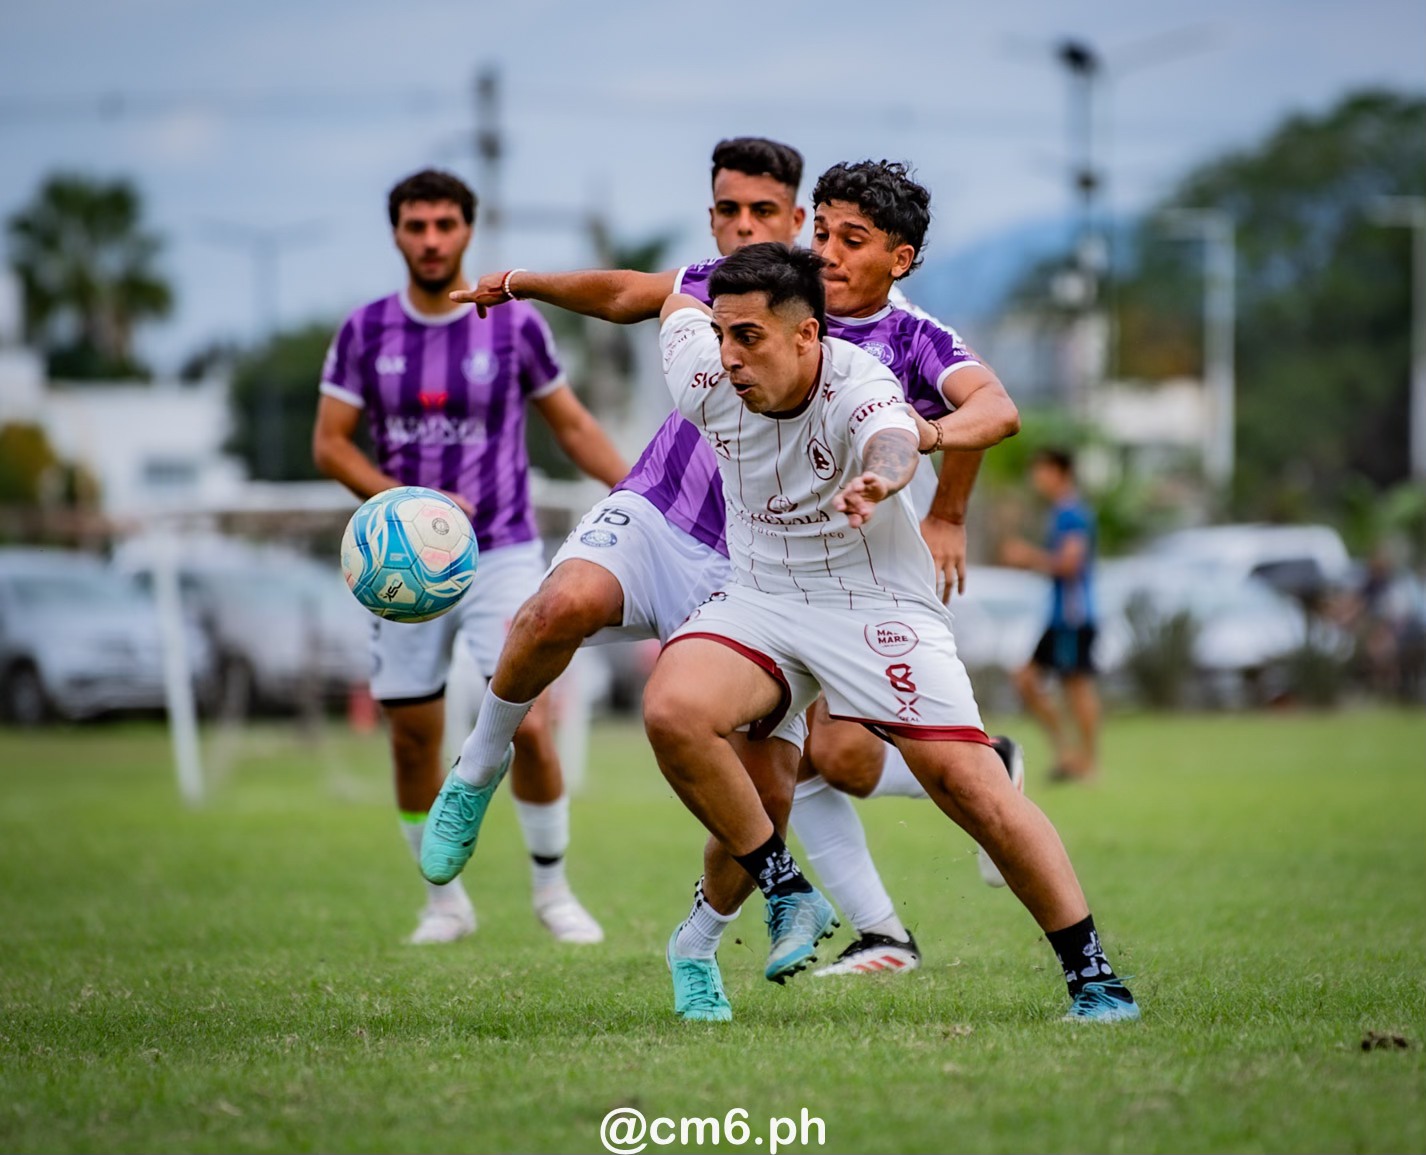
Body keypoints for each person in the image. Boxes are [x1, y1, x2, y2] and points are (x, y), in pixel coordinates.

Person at [433, 160, 1023, 984]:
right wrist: (522, 281)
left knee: (809, 772)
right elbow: (630, 293)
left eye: (763, 210)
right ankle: (475, 768)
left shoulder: (900, 334)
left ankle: (735, 939)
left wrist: (948, 512)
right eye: (728, 209)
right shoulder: (737, 291)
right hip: (659, 513)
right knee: (557, 607)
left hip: (765, 567)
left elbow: (980, 408)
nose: (744, 226)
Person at [644, 241, 1139, 1024]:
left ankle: (1095, 976)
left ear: (808, 335)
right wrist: (518, 283)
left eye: (750, 337)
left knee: (967, 783)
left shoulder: (859, 380)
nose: (730, 354)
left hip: (871, 603)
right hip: (760, 598)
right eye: (723, 333)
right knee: (676, 711)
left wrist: (880, 477)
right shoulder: (702, 369)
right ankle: (782, 894)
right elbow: (671, 302)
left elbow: (894, 437)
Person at [311, 169, 628, 945]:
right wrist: (410, 502)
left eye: (444, 225)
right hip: (399, 564)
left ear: (467, 230)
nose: (430, 240)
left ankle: (553, 891)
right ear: (396, 232)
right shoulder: (364, 331)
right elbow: (330, 445)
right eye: (415, 226)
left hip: (505, 550)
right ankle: (443, 903)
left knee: (529, 724)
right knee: (413, 736)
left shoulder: (513, 325)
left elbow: (573, 425)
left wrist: (639, 489)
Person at [1002, 447, 1100, 782]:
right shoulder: (1060, 512)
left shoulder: (1072, 513)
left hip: (1073, 615)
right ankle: (1069, 753)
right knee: (1027, 679)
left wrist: (1028, 556)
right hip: (1060, 615)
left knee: (1076, 686)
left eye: (1042, 471)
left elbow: (1070, 564)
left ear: (1060, 473)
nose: (1036, 479)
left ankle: (1087, 764)